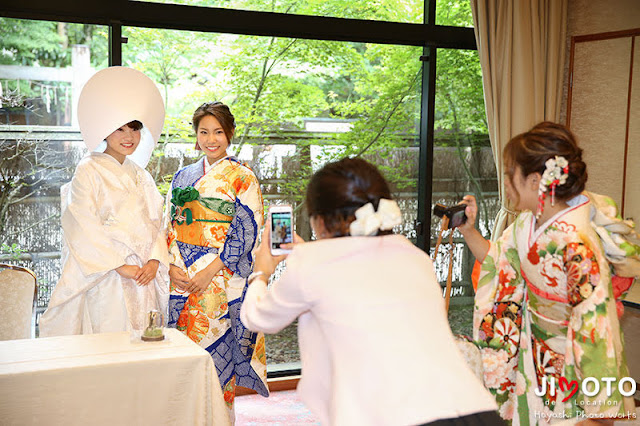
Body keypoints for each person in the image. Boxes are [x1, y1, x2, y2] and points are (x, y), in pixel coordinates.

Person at [240, 158, 502, 426]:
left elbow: (258, 317)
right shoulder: (413, 255)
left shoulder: (312, 262)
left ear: (320, 221)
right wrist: (310, 255)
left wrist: (262, 271)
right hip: (475, 410)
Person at [458, 122, 636, 424]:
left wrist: (600, 416)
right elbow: (499, 263)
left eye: (509, 173)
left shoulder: (577, 244)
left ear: (534, 180)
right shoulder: (529, 224)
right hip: (534, 353)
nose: (506, 182)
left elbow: (597, 330)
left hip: (574, 365)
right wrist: (469, 230)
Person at [40, 66, 169, 336]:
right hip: (109, 273)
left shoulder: (141, 174)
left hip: (143, 272)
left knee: (145, 340)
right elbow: (81, 221)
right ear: (104, 132)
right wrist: (119, 265)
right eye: (119, 129)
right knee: (110, 338)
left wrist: (155, 260)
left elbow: (159, 220)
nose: (129, 137)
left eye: (134, 129)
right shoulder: (88, 169)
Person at [166, 101, 268, 416]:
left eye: (219, 132)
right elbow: (169, 225)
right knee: (183, 364)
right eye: (204, 132)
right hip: (183, 280)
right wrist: (170, 266)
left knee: (218, 359)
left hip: (219, 280)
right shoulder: (183, 176)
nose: (211, 140)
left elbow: (247, 231)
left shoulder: (242, 177)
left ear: (230, 134)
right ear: (196, 136)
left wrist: (210, 270)